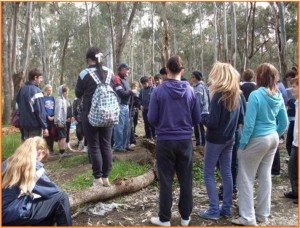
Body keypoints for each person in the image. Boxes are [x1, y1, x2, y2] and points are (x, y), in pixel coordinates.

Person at [232, 63, 288, 226]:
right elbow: (284, 122)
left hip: (257, 139)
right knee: (265, 176)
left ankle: (248, 218)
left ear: (259, 77)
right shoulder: (277, 94)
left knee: (246, 178)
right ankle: (263, 214)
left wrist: (242, 145)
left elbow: (249, 125)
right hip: (272, 138)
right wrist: (274, 134)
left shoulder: (256, 95)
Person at [148, 55, 201, 226]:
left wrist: (163, 125)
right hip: (185, 140)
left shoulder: (158, 91)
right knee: (186, 178)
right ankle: (185, 217)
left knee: (165, 179)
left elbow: (151, 117)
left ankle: (165, 218)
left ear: (167, 70)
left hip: (165, 140)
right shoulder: (190, 90)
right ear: (182, 70)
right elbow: (197, 118)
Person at [198, 62, 243, 220]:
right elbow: (240, 119)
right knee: (227, 172)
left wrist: (202, 116)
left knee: (208, 173)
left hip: (215, 140)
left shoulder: (218, 95)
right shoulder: (237, 94)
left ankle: (213, 209)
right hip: (230, 139)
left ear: (220, 75)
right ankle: (227, 208)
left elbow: (212, 122)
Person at [2, 136, 72, 226]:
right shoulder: (32, 166)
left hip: (5, 213)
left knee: (44, 207)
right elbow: (53, 191)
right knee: (61, 197)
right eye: (43, 157)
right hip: (14, 213)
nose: (41, 160)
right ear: (40, 152)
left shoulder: (7, 162)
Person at [75, 47, 115, 187]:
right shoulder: (110, 72)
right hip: (108, 114)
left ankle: (97, 178)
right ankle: (106, 177)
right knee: (106, 145)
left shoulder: (84, 73)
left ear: (88, 59)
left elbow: (78, 94)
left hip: (90, 114)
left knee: (94, 145)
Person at [16, 68, 48, 140]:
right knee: (34, 149)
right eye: (40, 78)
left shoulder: (22, 89)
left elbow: (17, 105)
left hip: (23, 125)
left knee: (26, 149)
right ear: (35, 77)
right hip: (34, 126)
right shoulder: (37, 91)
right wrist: (45, 127)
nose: (41, 80)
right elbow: (40, 112)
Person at [113, 63, 137, 152]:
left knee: (127, 126)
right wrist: (131, 91)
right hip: (120, 106)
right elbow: (121, 93)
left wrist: (132, 92)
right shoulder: (117, 79)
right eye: (126, 69)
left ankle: (126, 145)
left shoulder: (125, 80)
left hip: (126, 106)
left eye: (128, 69)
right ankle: (118, 146)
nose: (128, 71)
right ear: (121, 70)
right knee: (119, 127)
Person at [284, 77, 298, 203]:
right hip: (296, 141)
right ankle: (295, 191)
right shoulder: (296, 102)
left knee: (293, 166)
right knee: (292, 167)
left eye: (294, 86)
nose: (292, 89)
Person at [191, 70, 209, 147]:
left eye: (193, 77)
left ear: (197, 77)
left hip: (200, 112)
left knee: (199, 128)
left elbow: (198, 102)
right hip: (203, 111)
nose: (191, 78)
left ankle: (200, 143)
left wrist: (195, 112)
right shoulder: (201, 86)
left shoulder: (199, 87)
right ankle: (201, 143)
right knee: (200, 128)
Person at [54, 85, 69, 158]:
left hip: (62, 121)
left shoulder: (63, 100)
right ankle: (62, 152)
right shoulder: (59, 100)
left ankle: (61, 151)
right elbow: (58, 111)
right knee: (63, 137)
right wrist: (58, 121)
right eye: (66, 92)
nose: (67, 94)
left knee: (61, 136)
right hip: (60, 122)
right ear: (63, 92)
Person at [43, 84, 55, 153]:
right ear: (45, 91)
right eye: (48, 90)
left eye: (50, 90)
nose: (49, 91)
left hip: (52, 118)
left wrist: (54, 116)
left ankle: (51, 148)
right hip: (46, 118)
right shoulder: (43, 98)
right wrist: (48, 116)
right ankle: (46, 148)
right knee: (46, 134)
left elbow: (55, 107)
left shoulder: (53, 98)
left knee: (52, 133)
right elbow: (43, 109)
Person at [129, 81, 140, 147]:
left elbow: (138, 101)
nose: (134, 88)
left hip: (136, 109)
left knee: (135, 122)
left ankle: (134, 133)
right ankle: (132, 140)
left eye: (135, 87)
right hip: (131, 109)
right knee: (131, 124)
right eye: (133, 86)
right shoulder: (130, 93)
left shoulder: (138, 93)